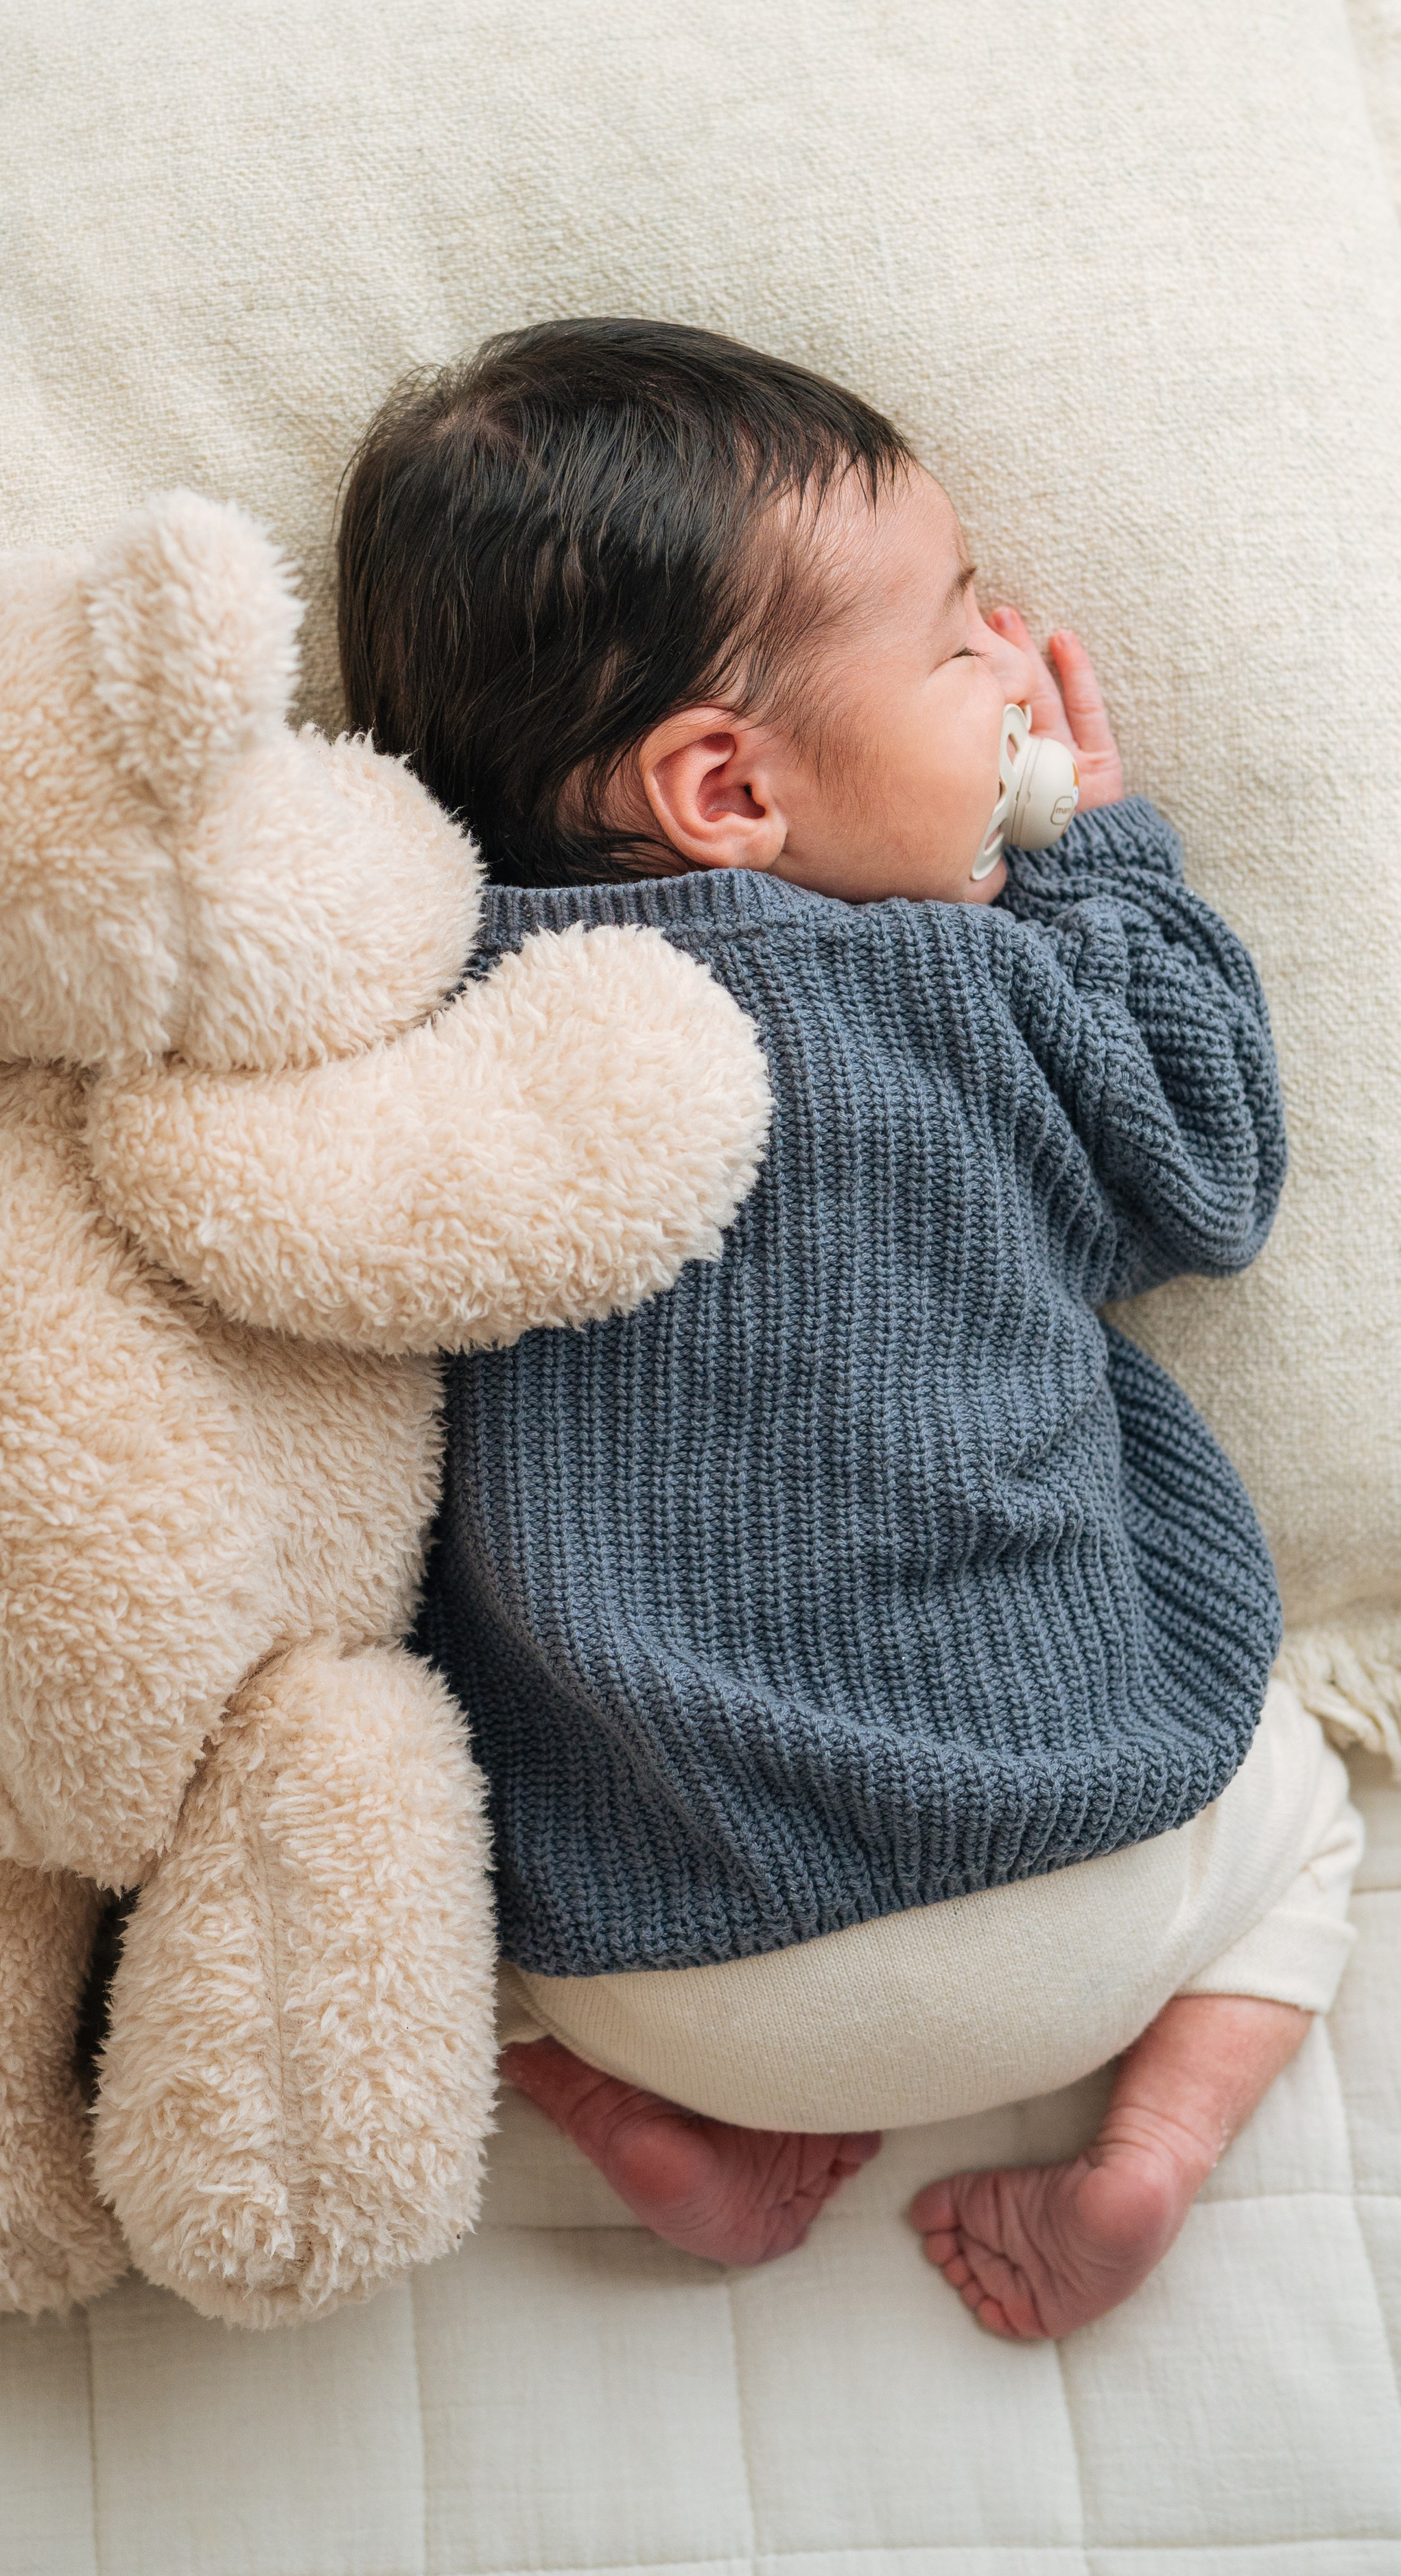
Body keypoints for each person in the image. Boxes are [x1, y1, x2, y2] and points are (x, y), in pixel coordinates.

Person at [335, 318, 1363, 2340]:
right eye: (963, 634)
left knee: (411, 1868)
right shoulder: (955, 992)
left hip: (663, 1952)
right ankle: (1150, 2145)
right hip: (1081, 1855)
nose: (1019, 664)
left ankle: (604, 2104)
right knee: (1305, 1809)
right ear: (729, 786)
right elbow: (1213, 1168)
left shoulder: (427, 1050)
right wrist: (1108, 858)